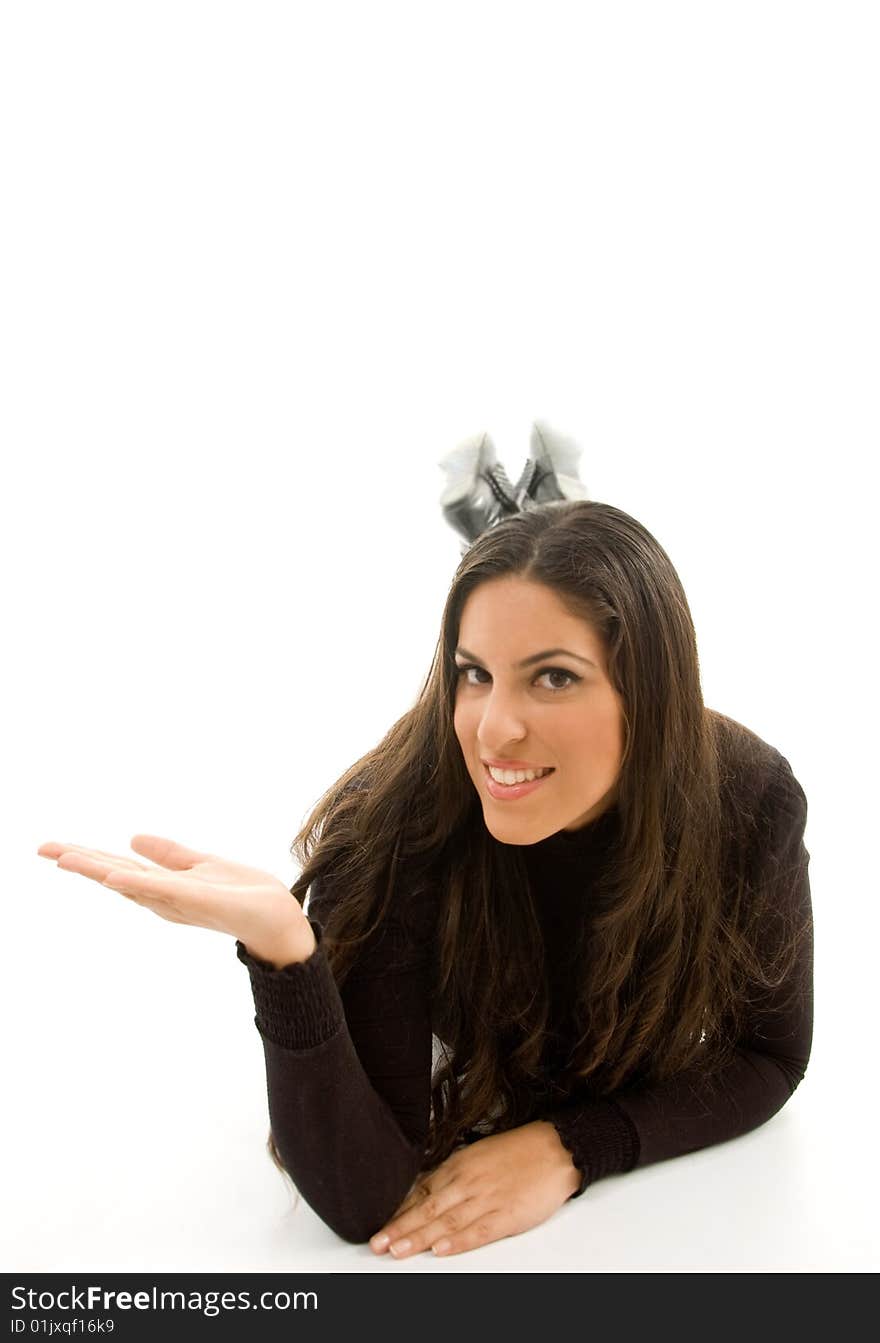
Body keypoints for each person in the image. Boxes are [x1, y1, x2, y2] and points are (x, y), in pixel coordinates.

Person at [36, 427, 813, 1260]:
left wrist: (573, 1147)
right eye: (473, 672)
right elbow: (364, 1197)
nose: (493, 729)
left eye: (554, 675)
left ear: (651, 690)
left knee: (545, 568)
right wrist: (287, 953)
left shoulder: (750, 796)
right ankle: (524, 526)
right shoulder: (398, 824)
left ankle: (532, 508)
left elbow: (769, 1057)